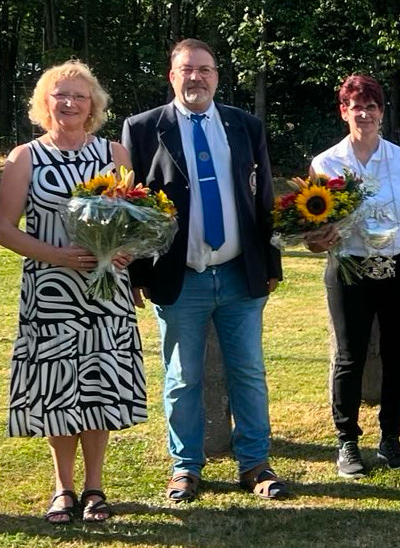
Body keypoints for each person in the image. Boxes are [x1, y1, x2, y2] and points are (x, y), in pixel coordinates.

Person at [121, 38, 288, 501]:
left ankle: (255, 464)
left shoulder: (245, 126)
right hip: (180, 276)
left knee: (249, 372)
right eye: (187, 69)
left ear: (217, 76)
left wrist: (271, 263)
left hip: (239, 273)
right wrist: (137, 274)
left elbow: (262, 198)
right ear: (172, 76)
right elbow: (131, 206)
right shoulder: (142, 129)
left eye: (206, 69)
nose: (196, 77)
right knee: (182, 377)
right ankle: (185, 466)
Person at [0, 60, 145, 523]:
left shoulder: (115, 154)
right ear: (45, 102)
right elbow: (2, 229)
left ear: (94, 105)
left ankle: (96, 487)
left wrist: (124, 252)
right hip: (51, 291)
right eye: (60, 94)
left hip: (105, 291)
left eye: (80, 96)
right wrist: (57, 256)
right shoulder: (25, 157)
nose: (70, 102)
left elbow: (136, 219)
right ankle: (63, 488)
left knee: (99, 386)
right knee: (59, 388)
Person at [308, 73, 400, 478]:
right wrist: (318, 240)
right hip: (349, 270)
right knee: (350, 357)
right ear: (344, 112)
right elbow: (312, 231)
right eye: (356, 107)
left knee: (398, 354)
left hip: (399, 267)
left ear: (382, 112)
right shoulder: (326, 164)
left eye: (372, 107)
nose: (364, 114)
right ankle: (347, 442)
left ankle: (391, 439)